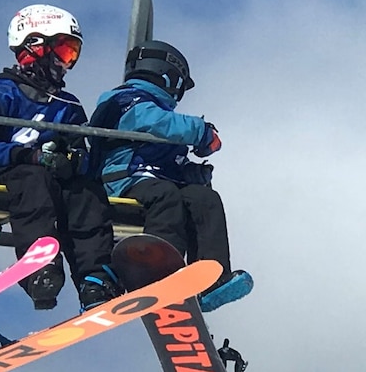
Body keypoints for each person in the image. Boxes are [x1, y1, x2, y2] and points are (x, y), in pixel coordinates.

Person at [0, 4, 120, 312]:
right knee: (33, 178)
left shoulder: (67, 105)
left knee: (84, 188)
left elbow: (80, 149)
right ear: (33, 46)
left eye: (72, 53)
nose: (65, 62)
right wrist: (29, 156)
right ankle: (40, 268)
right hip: (3, 172)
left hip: (50, 176)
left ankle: (95, 277)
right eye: (62, 50)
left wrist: (73, 161)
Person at [88, 39, 253, 312]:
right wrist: (201, 131)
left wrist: (192, 173)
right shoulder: (124, 100)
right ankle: (159, 268)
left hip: (154, 181)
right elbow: (153, 122)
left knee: (203, 199)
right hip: (122, 180)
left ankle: (211, 276)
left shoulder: (157, 113)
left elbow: (167, 158)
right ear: (168, 77)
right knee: (165, 197)